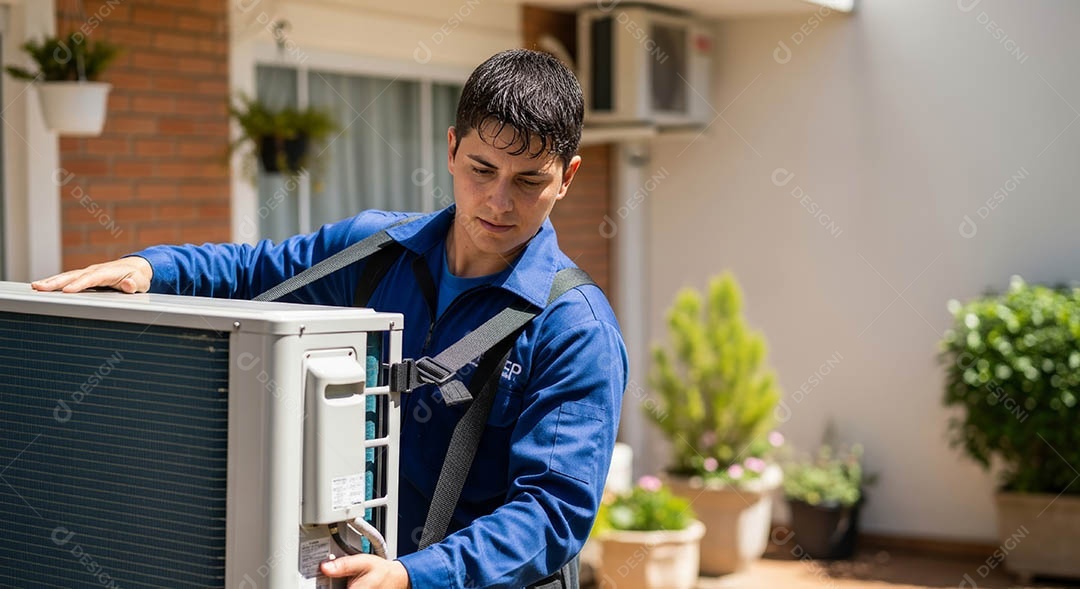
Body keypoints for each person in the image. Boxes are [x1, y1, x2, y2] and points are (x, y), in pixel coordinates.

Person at [32, 49, 627, 588]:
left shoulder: (575, 329)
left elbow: (551, 515)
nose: (499, 201)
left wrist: (414, 576)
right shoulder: (374, 249)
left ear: (567, 178)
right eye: (481, 169)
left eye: (528, 181)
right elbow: (254, 270)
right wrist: (150, 267)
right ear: (450, 149)